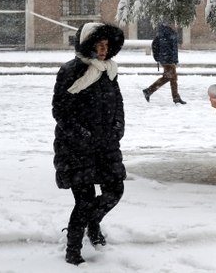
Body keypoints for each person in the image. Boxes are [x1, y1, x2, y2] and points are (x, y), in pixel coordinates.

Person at [52, 22, 127, 265]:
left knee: (115, 191)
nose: (103, 50)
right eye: (99, 45)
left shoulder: (109, 71)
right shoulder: (70, 71)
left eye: (107, 45)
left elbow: (118, 103)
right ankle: (73, 250)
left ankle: (91, 224)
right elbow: (60, 111)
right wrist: (82, 135)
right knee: (84, 200)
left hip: (106, 145)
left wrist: (118, 127)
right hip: (77, 148)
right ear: (88, 45)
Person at [142, 22, 186, 104]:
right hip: (167, 60)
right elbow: (157, 45)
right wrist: (161, 57)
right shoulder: (165, 33)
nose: (176, 25)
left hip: (169, 59)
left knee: (171, 78)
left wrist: (174, 59)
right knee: (170, 78)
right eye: (175, 23)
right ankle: (149, 91)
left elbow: (173, 48)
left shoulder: (168, 33)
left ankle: (175, 97)